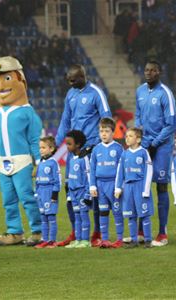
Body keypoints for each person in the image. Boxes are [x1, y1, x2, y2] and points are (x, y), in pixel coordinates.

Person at [0, 56, 42, 247]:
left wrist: (40, 163)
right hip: (3, 164)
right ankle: (14, 232)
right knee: (8, 201)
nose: (1, 85)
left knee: (27, 198)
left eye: (7, 78)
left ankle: (38, 230)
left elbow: (35, 141)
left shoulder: (27, 113)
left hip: (22, 162)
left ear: (21, 80)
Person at [55, 64, 112, 247]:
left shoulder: (96, 93)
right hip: (74, 152)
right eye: (69, 80)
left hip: (90, 150)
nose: (71, 83)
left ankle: (96, 232)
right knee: (71, 190)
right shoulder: (71, 94)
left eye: (74, 80)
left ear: (83, 76)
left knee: (92, 193)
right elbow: (65, 120)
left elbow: (106, 118)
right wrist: (55, 146)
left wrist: (99, 145)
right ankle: (76, 231)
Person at [135, 60, 176, 247]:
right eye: (146, 70)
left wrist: (155, 142)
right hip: (144, 145)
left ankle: (162, 232)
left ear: (159, 72)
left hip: (161, 147)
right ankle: (142, 229)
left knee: (160, 187)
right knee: (140, 186)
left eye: (153, 70)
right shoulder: (140, 91)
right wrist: (140, 135)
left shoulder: (165, 93)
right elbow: (137, 115)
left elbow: (171, 124)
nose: (149, 73)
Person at [115, 127, 154, 248]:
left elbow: (149, 171)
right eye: (126, 136)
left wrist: (146, 189)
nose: (127, 138)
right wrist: (118, 188)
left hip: (140, 186)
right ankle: (133, 240)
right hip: (127, 187)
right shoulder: (124, 154)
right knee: (130, 215)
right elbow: (119, 172)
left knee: (144, 214)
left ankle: (148, 240)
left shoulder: (143, 152)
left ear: (138, 139)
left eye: (130, 136)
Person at [89, 118, 124, 248]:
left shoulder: (118, 148)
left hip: (113, 184)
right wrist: (92, 185)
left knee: (116, 211)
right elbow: (92, 169)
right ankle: (105, 239)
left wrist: (119, 186)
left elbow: (122, 169)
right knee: (103, 211)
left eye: (107, 131)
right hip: (100, 184)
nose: (103, 134)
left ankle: (119, 239)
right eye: (101, 131)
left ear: (113, 132)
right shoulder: (96, 149)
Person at [64, 130, 93, 249]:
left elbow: (89, 177)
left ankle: (86, 240)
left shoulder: (84, 159)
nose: (67, 146)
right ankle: (78, 239)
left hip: (82, 192)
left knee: (83, 215)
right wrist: (70, 194)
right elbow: (71, 178)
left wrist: (88, 195)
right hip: (73, 193)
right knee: (76, 217)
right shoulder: (72, 159)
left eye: (69, 144)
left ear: (78, 144)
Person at [34, 136, 61, 249]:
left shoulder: (53, 163)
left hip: (49, 193)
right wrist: (36, 192)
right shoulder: (40, 162)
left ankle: (52, 241)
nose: (41, 150)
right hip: (41, 193)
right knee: (43, 218)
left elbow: (58, 180)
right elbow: (37, 178)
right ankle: (44, 239)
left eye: (43, 147)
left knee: (51, 217)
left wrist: (54, 195)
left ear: (51, 149)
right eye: (40, 147)